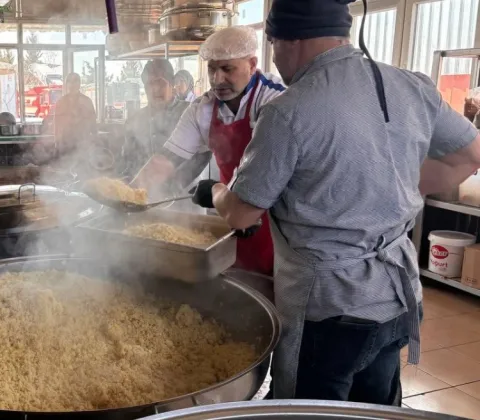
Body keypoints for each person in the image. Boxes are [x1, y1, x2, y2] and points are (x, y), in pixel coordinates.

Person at [191, 0, 480, 405]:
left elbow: (241, 212)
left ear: (283, 41)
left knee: (308, 412)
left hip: (329, 311)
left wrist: (216, 192)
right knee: (375, 411)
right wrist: (389, 187)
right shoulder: (410, 84)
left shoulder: (288, 110)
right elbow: (469, 155)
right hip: (397, 296)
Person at [132, 26, 285, 275]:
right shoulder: (202, 109)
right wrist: (129, 197)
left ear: (252, 63)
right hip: (229, 221)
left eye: (227, 69)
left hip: (279, 230)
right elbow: (164, 161)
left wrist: (218, 192)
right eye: (212, 69)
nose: (217, 79)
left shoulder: (276, 101)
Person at [121, 59, 190, 179]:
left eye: (160, 83)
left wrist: (173, 185)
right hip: (143, 190)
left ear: (172, 83)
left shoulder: (189, 113)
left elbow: (199, 160)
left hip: (185, 192)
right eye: (149, 84)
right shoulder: (135, 120)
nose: (155, 89)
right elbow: (129, 160)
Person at [53, 73, 97, 153]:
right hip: (65, 143)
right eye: (69, 82)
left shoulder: (87, 101)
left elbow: (93, 123)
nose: (72, 84)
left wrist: (94, 141)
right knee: (65, 164)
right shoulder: (60, 102)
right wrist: (56, 142)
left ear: (79, 84)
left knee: (82, 164)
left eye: (75, 81)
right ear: (66, 84)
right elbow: (57, 124)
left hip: (83, 142)